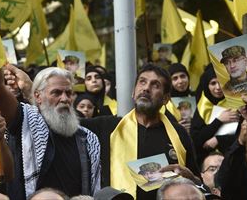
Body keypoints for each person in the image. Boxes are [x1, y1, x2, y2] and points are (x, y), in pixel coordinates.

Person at [79, 64, 199, 199]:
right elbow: (67, 125)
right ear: (133, 92)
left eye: (155, 85)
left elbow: (199, 185)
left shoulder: (179, 134)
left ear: (165, 99)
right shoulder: (107, 127)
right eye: (142, 82)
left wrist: (191, 178)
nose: (146, 88)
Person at [0, 66, 100, 199]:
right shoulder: (25, 121)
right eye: (56, 93)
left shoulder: (88, 139)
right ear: (38, 96)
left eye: (69, 93)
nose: (65, 99)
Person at [190, 66, 238, 165]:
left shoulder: (236, 104)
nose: (218, 87)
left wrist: (218, 140)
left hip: (233, 161)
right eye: (213, 83)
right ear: (206, 85)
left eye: (221, 82)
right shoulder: (203, 107)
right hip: (205, 163)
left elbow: (242, 135)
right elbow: (196, 140)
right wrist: (219, 120)